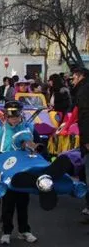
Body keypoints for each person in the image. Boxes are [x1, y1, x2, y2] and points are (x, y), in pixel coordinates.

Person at [0, 101, 38, 245]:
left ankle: (24, 230)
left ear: (21, 115)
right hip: (6, 173)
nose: (13, 119)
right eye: (10, 116)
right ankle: (6, 231)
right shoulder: (0, 132)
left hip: (24, 172)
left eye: (16, 116)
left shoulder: (30, 129)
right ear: (6, 116)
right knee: (7, 203)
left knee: (23, 202)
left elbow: (40, 149)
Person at [70, 67, 89, 217]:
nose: (72, 80)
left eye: (74, 77)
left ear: (80, 76)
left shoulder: (84, 91)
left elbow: (85, 116)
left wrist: (87, 140)